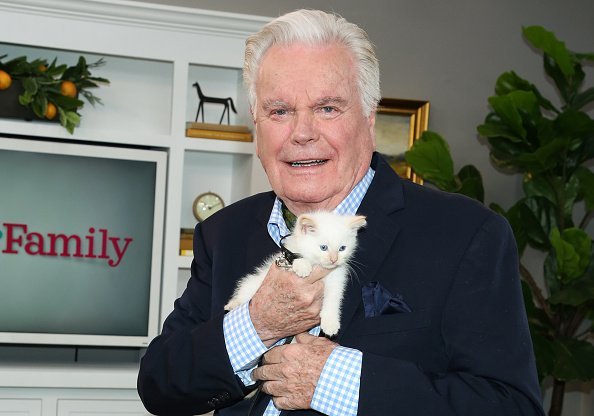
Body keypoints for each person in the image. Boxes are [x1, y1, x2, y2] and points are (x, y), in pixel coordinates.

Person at [137, 9, 545, 416]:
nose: (302, 133)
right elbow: (160, 385)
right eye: (279, 111)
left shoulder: (466, 234)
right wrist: (257, 325)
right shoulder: (225, 232)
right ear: (257, 128)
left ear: (369, 120)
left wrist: (337, 382)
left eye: (328, 108)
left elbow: (510, 407)